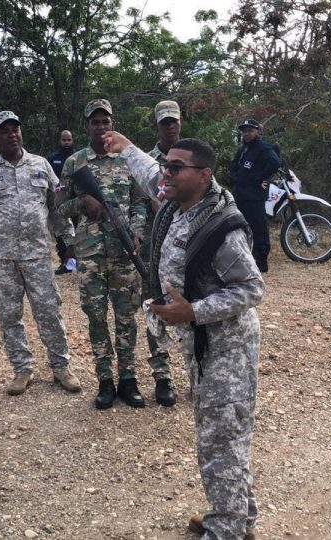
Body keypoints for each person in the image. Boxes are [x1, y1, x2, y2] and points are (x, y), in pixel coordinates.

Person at [103, 130, 264, 540]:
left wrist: (193, 312)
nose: (166, 173)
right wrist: (126, 148)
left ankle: (225, 531)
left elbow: (251, 288)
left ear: (204, 175)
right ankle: (235, 519)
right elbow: (149, 173)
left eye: (176, 167)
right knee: (220, 435)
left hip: (226, 347)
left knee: (220, 441)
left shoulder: (221, 228)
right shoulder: (179, 202)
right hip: (199, 344)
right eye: (166, 165)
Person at [0, 111, 81, 396]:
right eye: (4, 131)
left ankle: (61, 366)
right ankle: (21, 369)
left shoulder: (41, 165)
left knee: (49, 310)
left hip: (37, 253)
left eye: (15, 129)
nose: (11, 134)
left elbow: (56, 205)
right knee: (9, 314)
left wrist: (68, 240)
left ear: (21, 133)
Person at [57, 99, 147, 410]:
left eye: (105, 121)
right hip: (91, 253)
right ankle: (105, 381)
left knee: (126, 316)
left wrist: (137, 231)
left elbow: (139, 202)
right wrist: (83, 201)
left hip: (124, 251)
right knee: (96, 317)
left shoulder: (128, 158)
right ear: (87, 126)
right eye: (95, 122)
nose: (101, 126)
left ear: (112, 122)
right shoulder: (75, 163)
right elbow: (59, 206)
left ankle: (128, 379)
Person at [141, 99, 183, 407]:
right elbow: (136, 201)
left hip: (188, 248)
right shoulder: (147, 161)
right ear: (157, 125)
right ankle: (162, 376)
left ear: (180, 122)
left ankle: (198, 371)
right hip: (155, 247)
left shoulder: (194, 155)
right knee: (156, 307)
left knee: (196, 308)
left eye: (174, 121)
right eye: (164, 121)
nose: (169, 126)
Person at [230, 118, 281, 273]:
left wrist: (260, 178)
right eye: (244, 131)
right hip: (240, 195)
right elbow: (234, 166)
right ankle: (245, 258)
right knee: (240, 227)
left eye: (250, 130)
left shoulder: (263, 148)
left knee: (258, 227)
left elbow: (275, 163)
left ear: (259, 132)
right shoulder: (244, 149)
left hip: (254, 196)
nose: (247, 133)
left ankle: (262, 260)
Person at [48, 130, 77, 275]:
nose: (66, 142)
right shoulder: (53, 158)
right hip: (59, 200)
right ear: (60, 141)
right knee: (61, 233)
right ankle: (65, 263)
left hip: (77, 200)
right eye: (64, 140)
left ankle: (77, 263)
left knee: (78, 231)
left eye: (69, 139)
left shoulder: (79, 157)